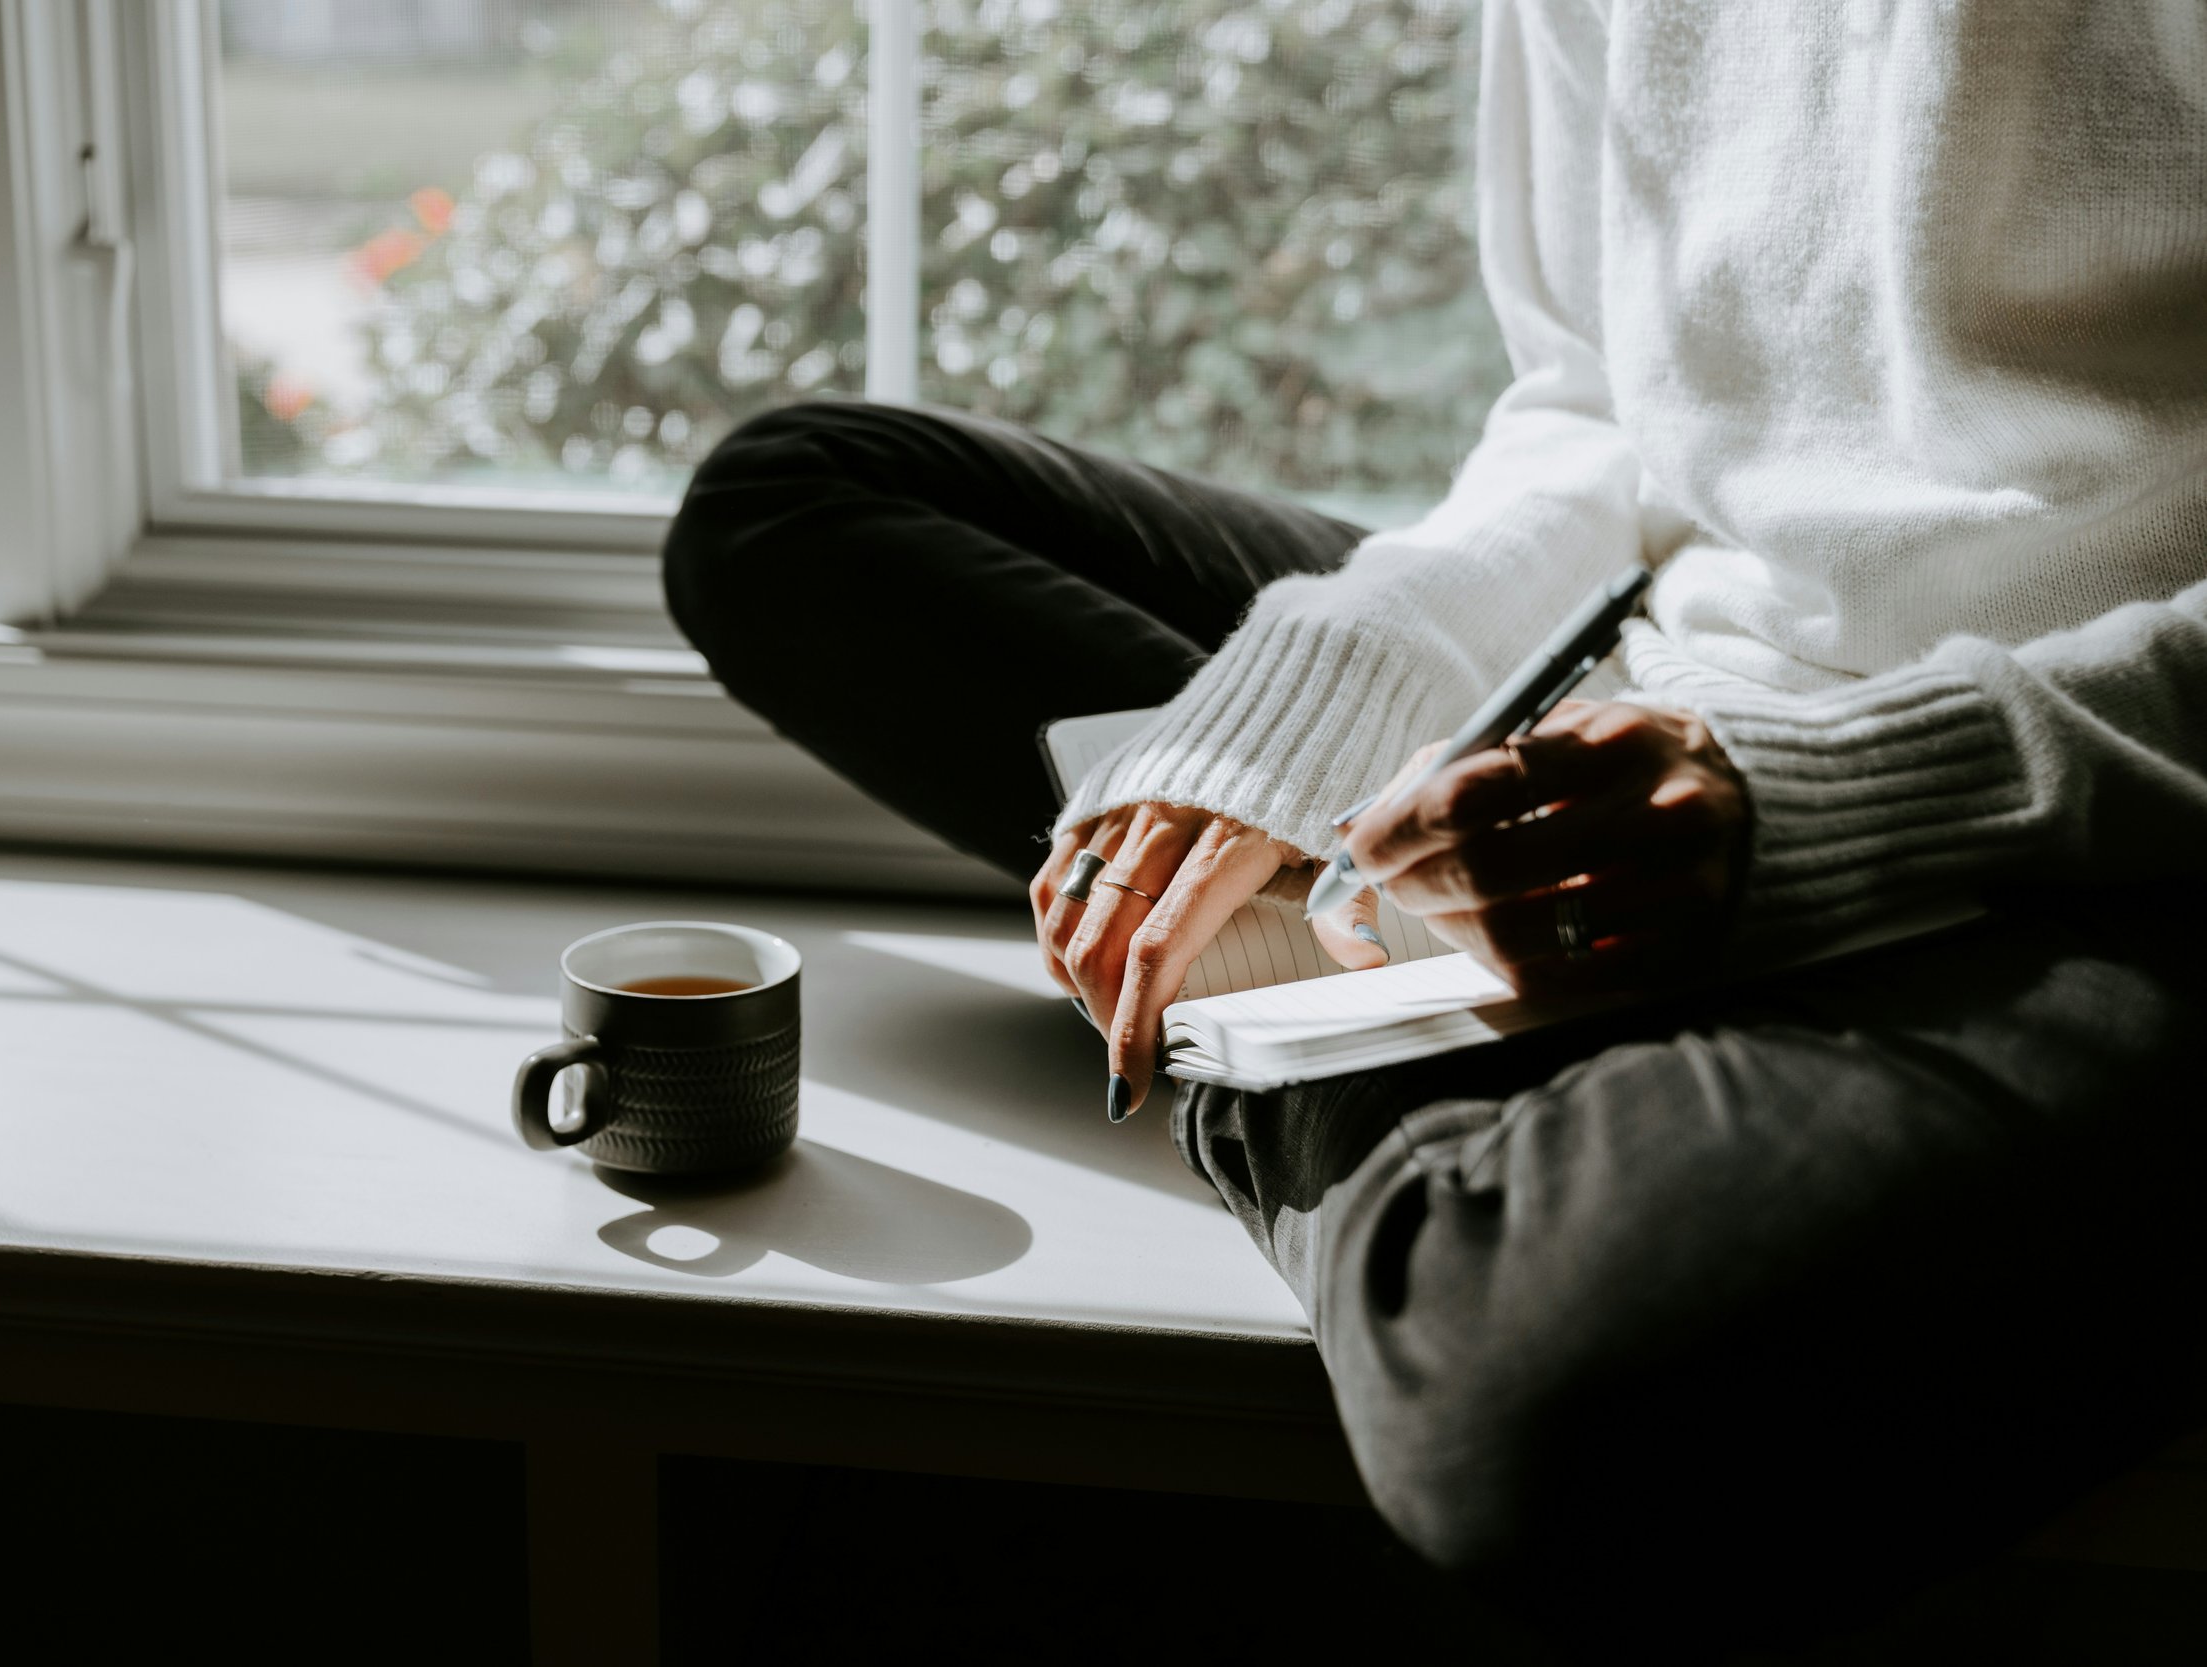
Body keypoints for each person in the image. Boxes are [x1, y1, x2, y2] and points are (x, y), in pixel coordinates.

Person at [661, 0, 2207, 1647]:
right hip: (1657, 698)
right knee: (800, 507)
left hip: (2110, 826)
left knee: (1534, 1416)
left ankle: (1259, 1011)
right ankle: (1360, 989)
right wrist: (1303, 708)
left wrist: (1849, 793)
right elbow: (1594, 412)